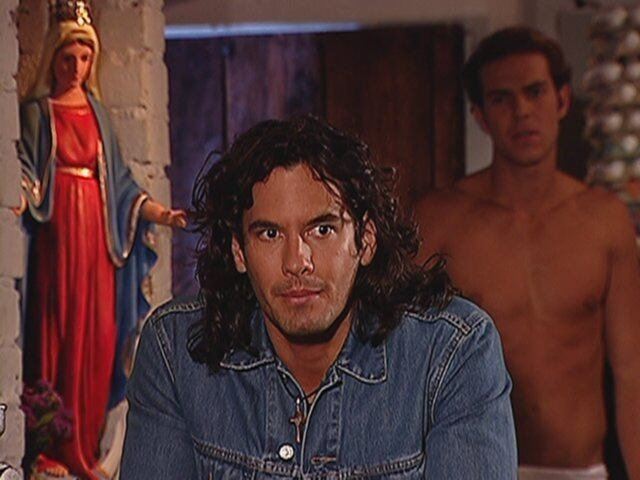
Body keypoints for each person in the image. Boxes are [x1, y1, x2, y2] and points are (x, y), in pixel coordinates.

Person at [120, 114, 517, 478]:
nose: (297, 262)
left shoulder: (451, 353)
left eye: (322, 230)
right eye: (270, 234)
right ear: (239, 251)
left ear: (365, 240)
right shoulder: (176, 351)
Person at [415, 27, 640, 479]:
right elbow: (398, 365)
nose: (521, 112)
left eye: (534, 92)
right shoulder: (441, 221)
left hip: (578, 469)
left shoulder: (604, 221)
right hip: (475, 466)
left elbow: (632, 371)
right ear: (480, 116)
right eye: (502, 99)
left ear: (562, 100)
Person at [16, 2, 187, 478]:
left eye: (85, 58)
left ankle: (85, 449)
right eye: (68, 58)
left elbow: (123, 187)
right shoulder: (38, 113)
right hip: (56, 242)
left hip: (96, 242)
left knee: (97, 334)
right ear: (54, 58)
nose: (76, 67)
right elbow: (26, 171)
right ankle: (51, 448)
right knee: (57, 332)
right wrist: (19, 196)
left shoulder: (98, 115)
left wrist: (161, 214)